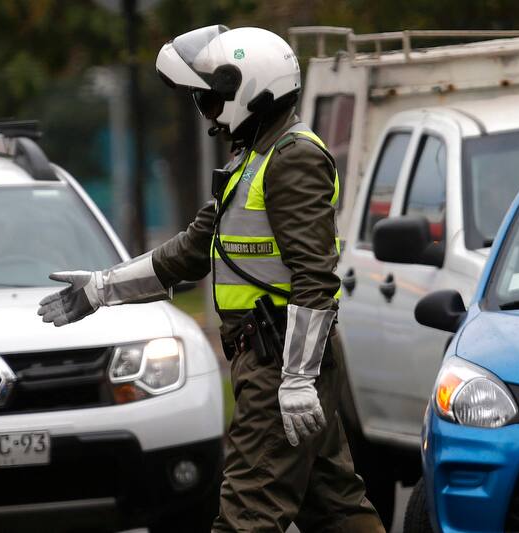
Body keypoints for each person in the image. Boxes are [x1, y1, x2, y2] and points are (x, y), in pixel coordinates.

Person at [38, 24, 385, 533]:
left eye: (209, 99)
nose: (207, 113)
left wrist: (296, 379)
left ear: (246, 90)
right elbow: (189, 252)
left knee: (247, 515)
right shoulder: (254, 161)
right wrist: (100, 289)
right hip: (277, 362)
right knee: (335, 508)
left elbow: (315, 277)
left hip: (279, 363)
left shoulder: (293, 161)